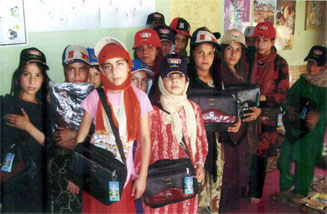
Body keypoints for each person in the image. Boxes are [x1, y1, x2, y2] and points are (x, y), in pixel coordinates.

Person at [67, 37, 152, 213]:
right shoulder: (95, 97)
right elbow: (81, 137)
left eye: (119, 64)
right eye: (108, 66)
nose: (115, 71)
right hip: (94, 171)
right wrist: (75, 172)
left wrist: (143, 176)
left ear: (128, 65)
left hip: (121, 174)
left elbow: (145, 139)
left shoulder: (140, 97)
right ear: (102, 71)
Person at [136, 53, 208, 213]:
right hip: (160, 183)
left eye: (180, 76)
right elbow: (142, 147)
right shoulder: (152, 112)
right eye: (169, 76)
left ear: (186, 81)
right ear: (161, 81)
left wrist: (200, 165)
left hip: (186, 179)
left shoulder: (194, 109)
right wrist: (142, 177)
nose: (175, 81)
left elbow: (200, 141)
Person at [187, 27, 240, 213]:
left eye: (210, 53)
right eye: (200, 52)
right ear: (192, 53)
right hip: (193, 145)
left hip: (215, 142)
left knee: (214, 187)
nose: (205, 58)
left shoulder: (218, 78)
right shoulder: (185, 79)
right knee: (195, 187)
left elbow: (224, 108)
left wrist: (235, 120)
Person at [1, 47, 50, 213]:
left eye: (38, 75)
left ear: (44, 79)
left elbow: (52, 146)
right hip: (11, 181)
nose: (32, 81)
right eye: (27, 74)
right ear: (18, 77)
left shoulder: (47, 110)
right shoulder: (6, 104)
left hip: (38, 182)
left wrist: (28, 126)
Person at [277, 45, 327, 201]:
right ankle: (286, 186)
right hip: (295, 127)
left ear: (324, 66)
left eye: (315, 64)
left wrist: (318, 115)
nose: (311, 67)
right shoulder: (303, 81)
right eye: (309, 63)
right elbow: (289, 97)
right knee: (284, 158)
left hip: (312, 131)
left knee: (305, 161)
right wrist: (289, 108)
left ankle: (301, 191)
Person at [247, 22, 289, 204]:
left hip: (267, 115)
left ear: (272, 41)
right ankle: (243, 187)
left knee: (259, 153)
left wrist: (261, 98)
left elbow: (282, 95)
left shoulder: (280, 64)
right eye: (257, 40)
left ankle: (256, 192)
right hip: (247, 110)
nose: (260, 44)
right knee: (244, 152)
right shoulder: (248, 59)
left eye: (265, 40)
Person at [218, 29, 260, 212]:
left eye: (238, 49)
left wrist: (258, 110)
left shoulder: (243, 71)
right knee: (226, 179)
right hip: (227, 136)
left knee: (238, 177)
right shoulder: (218, 72)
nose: (233, 54)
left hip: (243, 134)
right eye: (229, 49)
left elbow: (250, 98)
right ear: (222, 50)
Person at [47, 45, 91, 213]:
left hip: (89, 163)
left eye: (82, 69)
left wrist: (74, 135)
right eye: (71, 69)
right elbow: (57, 139)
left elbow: (101, 137)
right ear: (64, 71)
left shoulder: (98, 95)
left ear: (89, 70)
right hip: (62, 167)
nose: (77, 74)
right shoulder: (56, 95)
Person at [132, 28, 163, 103]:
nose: (145, 52)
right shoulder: (129, 71)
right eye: (140, 48)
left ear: (158, 51)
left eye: (150, 48)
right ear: (135, 52)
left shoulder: (165, 73)